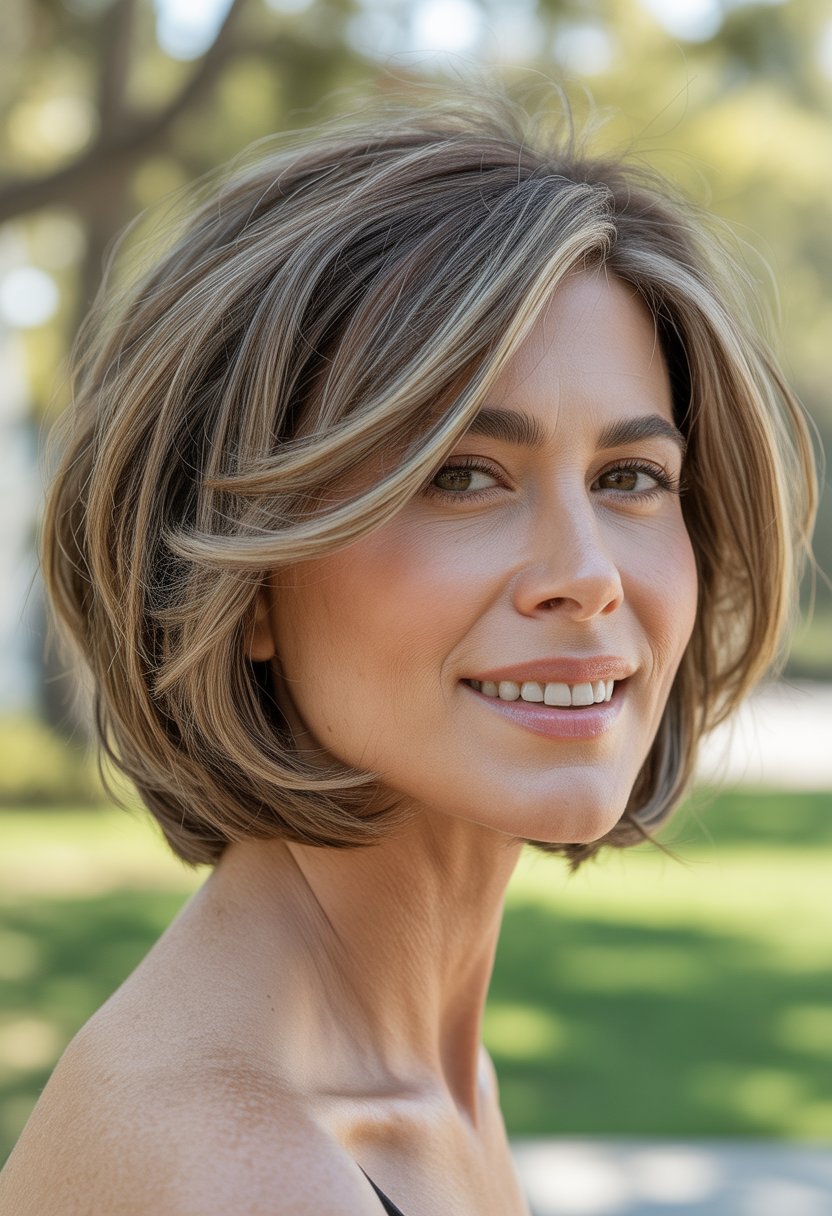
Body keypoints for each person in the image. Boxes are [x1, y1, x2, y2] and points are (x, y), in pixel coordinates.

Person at [0, 90, 817, 1215]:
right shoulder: (250, 1171)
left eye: (628, 477)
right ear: (242, 580)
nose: (586, 574)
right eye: (461, 475)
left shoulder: (420, 1084)